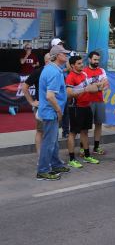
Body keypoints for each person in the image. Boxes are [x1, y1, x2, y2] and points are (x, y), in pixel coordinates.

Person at [36, 45, 71, 181]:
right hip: (51, 112)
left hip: (49, 111)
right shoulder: (54, 72)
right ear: (57, 56)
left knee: (53, 141)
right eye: (64, 54)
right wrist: (58, 110)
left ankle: (55, 164)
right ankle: (43, 171)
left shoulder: (51, 69)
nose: (66, 55)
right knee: (49, 142)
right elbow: (50, 96)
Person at [65, 55, 100, 168]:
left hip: (86, 106)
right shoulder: (70, 77)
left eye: (81, 63)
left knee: (85, 132)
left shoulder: (84, 74)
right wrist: (84, 89)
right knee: (73, 133)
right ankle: (71, 159)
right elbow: (69, 93)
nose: (82, 65)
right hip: (76, 108)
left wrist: (99, 87)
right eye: (79, 63)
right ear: (72, 65)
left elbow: (91, 87)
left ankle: (87, 155)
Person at [22, 53, 51, 154]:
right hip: (41, 107)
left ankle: (52, 156)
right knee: (40, 131)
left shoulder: (57, 72)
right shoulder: (38, 72)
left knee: (53, 132)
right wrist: (31, 102)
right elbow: (24, 87)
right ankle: (40, 156)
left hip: (53, 107)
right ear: (47, 61)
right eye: (53, 59)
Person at [83, 51, 109, 155]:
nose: (97, 61)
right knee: (85, 126)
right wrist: (99, 85)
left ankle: (96, 147)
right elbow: (88, 88)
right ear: (89, 59)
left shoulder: (102, 70)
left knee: (99, 124)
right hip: (87, 101)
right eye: (94, 59)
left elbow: (106, 85)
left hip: (99, 100)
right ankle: (83, 147)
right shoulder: (84, 71)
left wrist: (96, 86)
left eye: (98, 60)